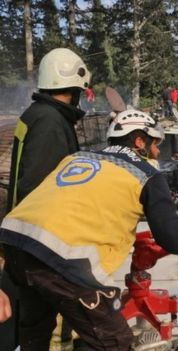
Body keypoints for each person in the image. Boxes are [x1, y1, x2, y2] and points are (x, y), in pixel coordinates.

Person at [0, 110, 178, 350]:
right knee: (116, 342)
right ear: (139, 142)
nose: (157, 152)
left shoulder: (77, 157)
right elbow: (175, 241)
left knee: (36, 335)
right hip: (63, 262)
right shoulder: (146, 175)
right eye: (155, 144)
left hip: (14, 244)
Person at [1, 47, 91, 351]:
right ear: (74, 88)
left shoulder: (37, 115)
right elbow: (41, 191)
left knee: (34, 329)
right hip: (42, 249)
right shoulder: (51, 122)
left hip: (25, 245)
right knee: (49, 332)